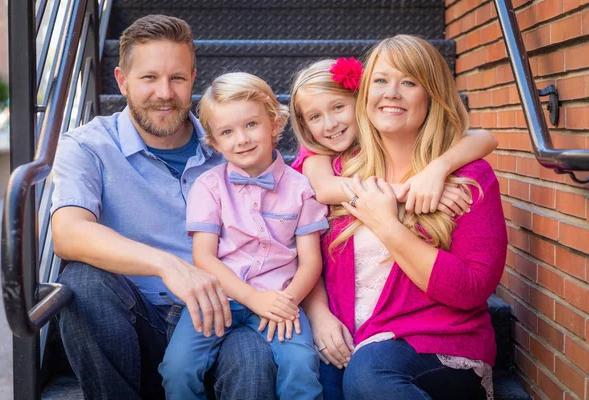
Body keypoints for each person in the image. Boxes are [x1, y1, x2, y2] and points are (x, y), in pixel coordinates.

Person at [50, 15, 277, 400]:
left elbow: (303, 181)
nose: (164, 92)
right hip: (136, 320)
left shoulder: (232, 146)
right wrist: (169, 265)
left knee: (254, 355)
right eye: (149, 78)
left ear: (193, 78)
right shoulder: (88, 145)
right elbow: (68, 233)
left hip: (222, 319)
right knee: (82, 282)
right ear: (121, 80)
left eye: (177, 78)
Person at [302, 35, 507, 400]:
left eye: (409, 82)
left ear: (432, 96)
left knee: (369, 373)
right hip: (348, 339)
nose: (392, 92)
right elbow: (299, 254)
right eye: (381, 80)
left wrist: (387, 223)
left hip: (439, 345)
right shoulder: (336, 172)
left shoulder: (468, 180)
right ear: (364, 94)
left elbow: (474, 288)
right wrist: (319, 315)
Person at [159, 72, 325, 400]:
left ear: (275, 124)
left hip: (280, 299)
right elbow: (203, 257)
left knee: (302, 364)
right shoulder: (208, 186)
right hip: (219, 297)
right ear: (215, 143)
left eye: (251, 124)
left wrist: (285, 302)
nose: (242, 139)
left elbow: (311, 261)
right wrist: (251, 298)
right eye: (227, 132)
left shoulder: (301, 189)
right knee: (177, 369)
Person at [289, 58, 498, 217]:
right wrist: (410, 191)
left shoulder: (380, 128)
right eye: (315, 116)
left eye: (338, 107)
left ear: (360, 100)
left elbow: (486, 138)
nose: (330, 124)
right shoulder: (315, 151)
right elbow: (325, 189)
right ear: (304, 125)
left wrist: (437, 169)